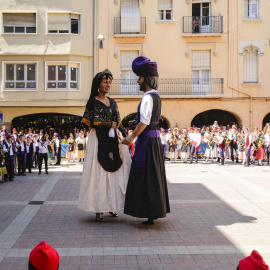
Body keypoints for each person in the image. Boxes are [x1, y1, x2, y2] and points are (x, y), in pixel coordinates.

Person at [78, 69, 131, 222]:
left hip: (112, 139)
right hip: (98, 139)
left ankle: (111, 206)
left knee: (113, 172)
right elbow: (89, 121)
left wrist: (125, 134)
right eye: (105, 82)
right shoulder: (92, 101)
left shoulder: (113, 102)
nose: (108, 84)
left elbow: (118, 121)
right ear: (98, 84)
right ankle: (98, 208)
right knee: (98, 173)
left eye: (109, 82)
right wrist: (108, 124)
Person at [123, 56, 170, 225]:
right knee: (154, 176)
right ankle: (153, 212)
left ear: (147, 79)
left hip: (146, 144)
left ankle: (148, 210)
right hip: (155, 143)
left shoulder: (147, 98)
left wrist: (131, 136)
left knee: (146, 175)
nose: (138, 81)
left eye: (140, 78)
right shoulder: (157, 98)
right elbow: (152, 121)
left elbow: (144, 122)